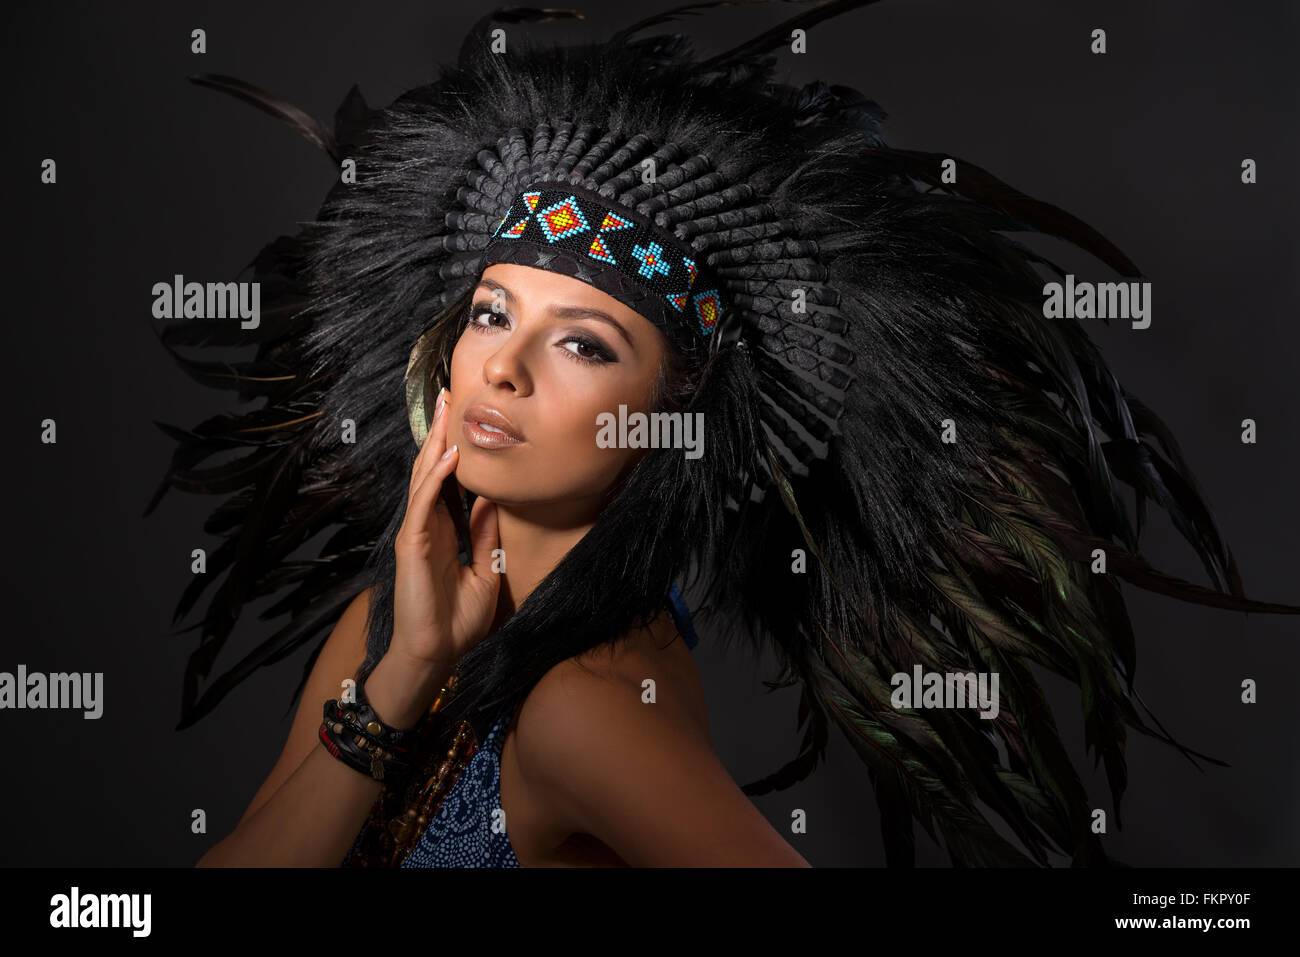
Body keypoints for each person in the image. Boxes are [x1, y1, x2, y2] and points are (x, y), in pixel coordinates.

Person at [149, 0, 1300, 868]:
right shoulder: (393, 621)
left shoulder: (584, 708)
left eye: (585, 343)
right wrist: (401, 675)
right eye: (494, 313)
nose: (499, 362)